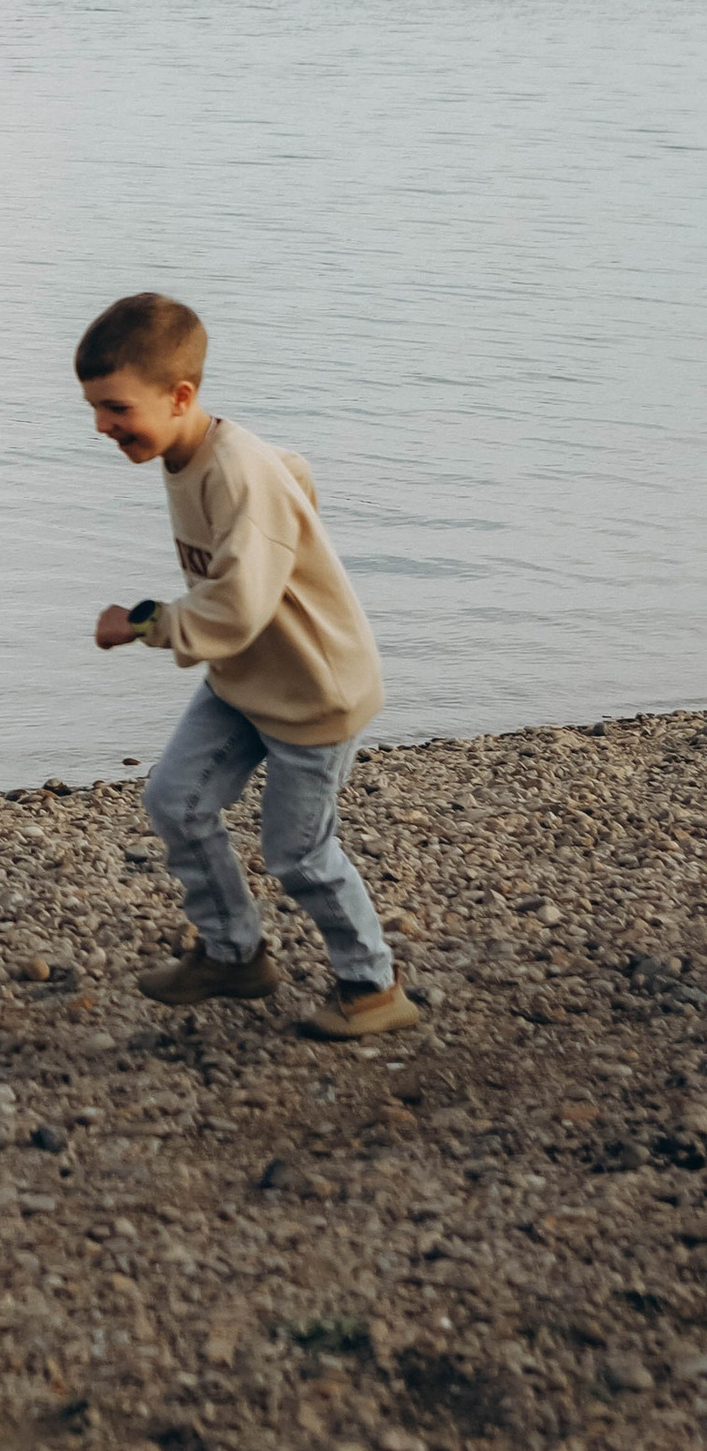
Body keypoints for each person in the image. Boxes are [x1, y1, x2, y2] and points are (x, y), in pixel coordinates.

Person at [77, 292, 421, 1041]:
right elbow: (294, 470)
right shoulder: (191, 452)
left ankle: (373, 985)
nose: (102, 427)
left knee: (298, 853)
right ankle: (234, 954)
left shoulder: (235, 469)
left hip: (312, 693)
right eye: (96, 409)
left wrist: (143, 625)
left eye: (115, 408)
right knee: (175, 800)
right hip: (242, 681)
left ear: (180, 396)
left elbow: (234, 607)